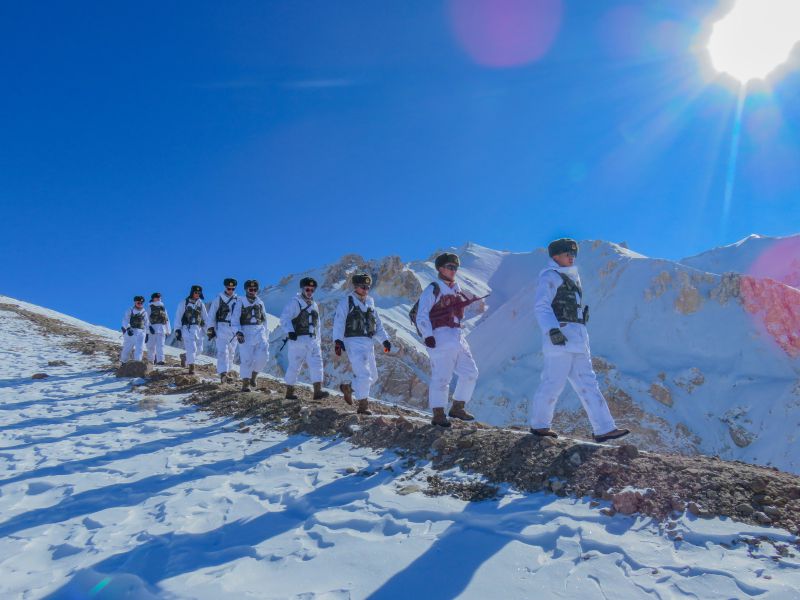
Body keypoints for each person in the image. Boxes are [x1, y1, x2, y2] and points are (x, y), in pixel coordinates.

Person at [529, 238, 630, 443]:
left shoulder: (572, 277)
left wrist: (581, 318)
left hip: (578, 338)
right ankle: (539, 425)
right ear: (555, 256)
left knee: (589, 384)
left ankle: (604, 428)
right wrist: (552, 330)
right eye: (567, 253)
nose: (571, 257)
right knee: (553, 383)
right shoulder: (550, 276)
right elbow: (541, 306)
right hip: (560, 338)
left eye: (573, 254)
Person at [415, 252, 480, 427]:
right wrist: (428, 336)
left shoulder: (456, 289)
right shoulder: (433, 289)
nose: (453, 270)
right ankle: (438, 414)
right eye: (450, 267)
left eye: (456, 267)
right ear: (440, 268)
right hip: (440, 337)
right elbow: (421, 315)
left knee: (471, 373)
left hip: (458, 336)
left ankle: (457, 407)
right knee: (441, 378)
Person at [332, 273, 391, 415]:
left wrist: (385, 340)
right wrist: (338, 341)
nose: (365, 290)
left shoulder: (370, 302)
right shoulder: (347, 301)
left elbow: (377, 325)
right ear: (356, 287)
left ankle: (349, 388)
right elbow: (339, 321)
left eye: (368, 287)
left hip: (368, 343)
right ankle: (363, 407)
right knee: (364, 375)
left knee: (374, 376)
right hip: (353, 342)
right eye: (362, 287)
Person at [279, 276, 329, 400]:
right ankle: (289, 392)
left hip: (312, 341)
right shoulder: (295, 302)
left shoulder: (314, 305)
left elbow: (318, 325)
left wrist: (318, 340)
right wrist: (290, 332)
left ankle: (317, 392)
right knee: (294, 366)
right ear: (302, 289)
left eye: (312, 290)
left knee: (317, 365)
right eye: (307, 289)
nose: (310, 292)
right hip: (298, 340)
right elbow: (284, 319)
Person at [231, 279, 269, 391]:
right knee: (246, 359)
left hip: (259, 331)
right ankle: (246, 383)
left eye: (255, 289)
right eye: (250, 289)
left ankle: (254, 375)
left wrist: (266, 335)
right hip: (245, 331)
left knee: (264, 356)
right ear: (246, 290)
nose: (253, 291)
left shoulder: (260, 303)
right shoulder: (240, 302)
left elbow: (265, 320)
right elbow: (234, 319)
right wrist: (238, 332)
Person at [207, 278, 239, 383]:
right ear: (225, 287)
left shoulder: (238, 299)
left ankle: (228, 372)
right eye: (229, 288)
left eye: (232, 288)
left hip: (233, 329)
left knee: (231, 352)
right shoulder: (218, 299)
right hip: (221, 327)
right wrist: (210, 329)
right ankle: (223, 374)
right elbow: (211, 315)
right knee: (222, 352)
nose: (230, 290)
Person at [174, 285, 208, 375]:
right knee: (192, 348)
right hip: (187, 329)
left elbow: (205, 317)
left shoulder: (201, 303)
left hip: (198, 329)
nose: (197, 294)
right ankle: (191, 367)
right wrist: (177, 330)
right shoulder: (184, 303)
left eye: (199, 293)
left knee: (199, 349)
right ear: (192, 292)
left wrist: (208, 329)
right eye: (195, 292)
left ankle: (185, 356)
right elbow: (178, 317)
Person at [121, 295, 149, 363]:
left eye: (141, 303)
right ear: (135, 302)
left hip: (141, 333)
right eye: (138, 303)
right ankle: (123, 362)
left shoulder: (144, 312)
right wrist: (128, 328)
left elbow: (147, 324)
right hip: (131, 332)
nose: (140, 304)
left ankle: (137, 362)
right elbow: (125, 320)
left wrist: (147, 334)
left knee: (140, 348)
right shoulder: (130, 310)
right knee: (127, 348)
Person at [145, 292, 171, 365]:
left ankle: (160, 361)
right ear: (153, 299)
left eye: (159, 297)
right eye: (156, 297)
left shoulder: (163, 308)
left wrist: (168, 330)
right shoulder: (150, 307)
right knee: (151, 346)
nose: (158, 299)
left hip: (162, 329)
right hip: (152, 329)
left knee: (161, 346)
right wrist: (149, 328)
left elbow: (167, 319)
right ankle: (150, 361)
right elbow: (146, 319)